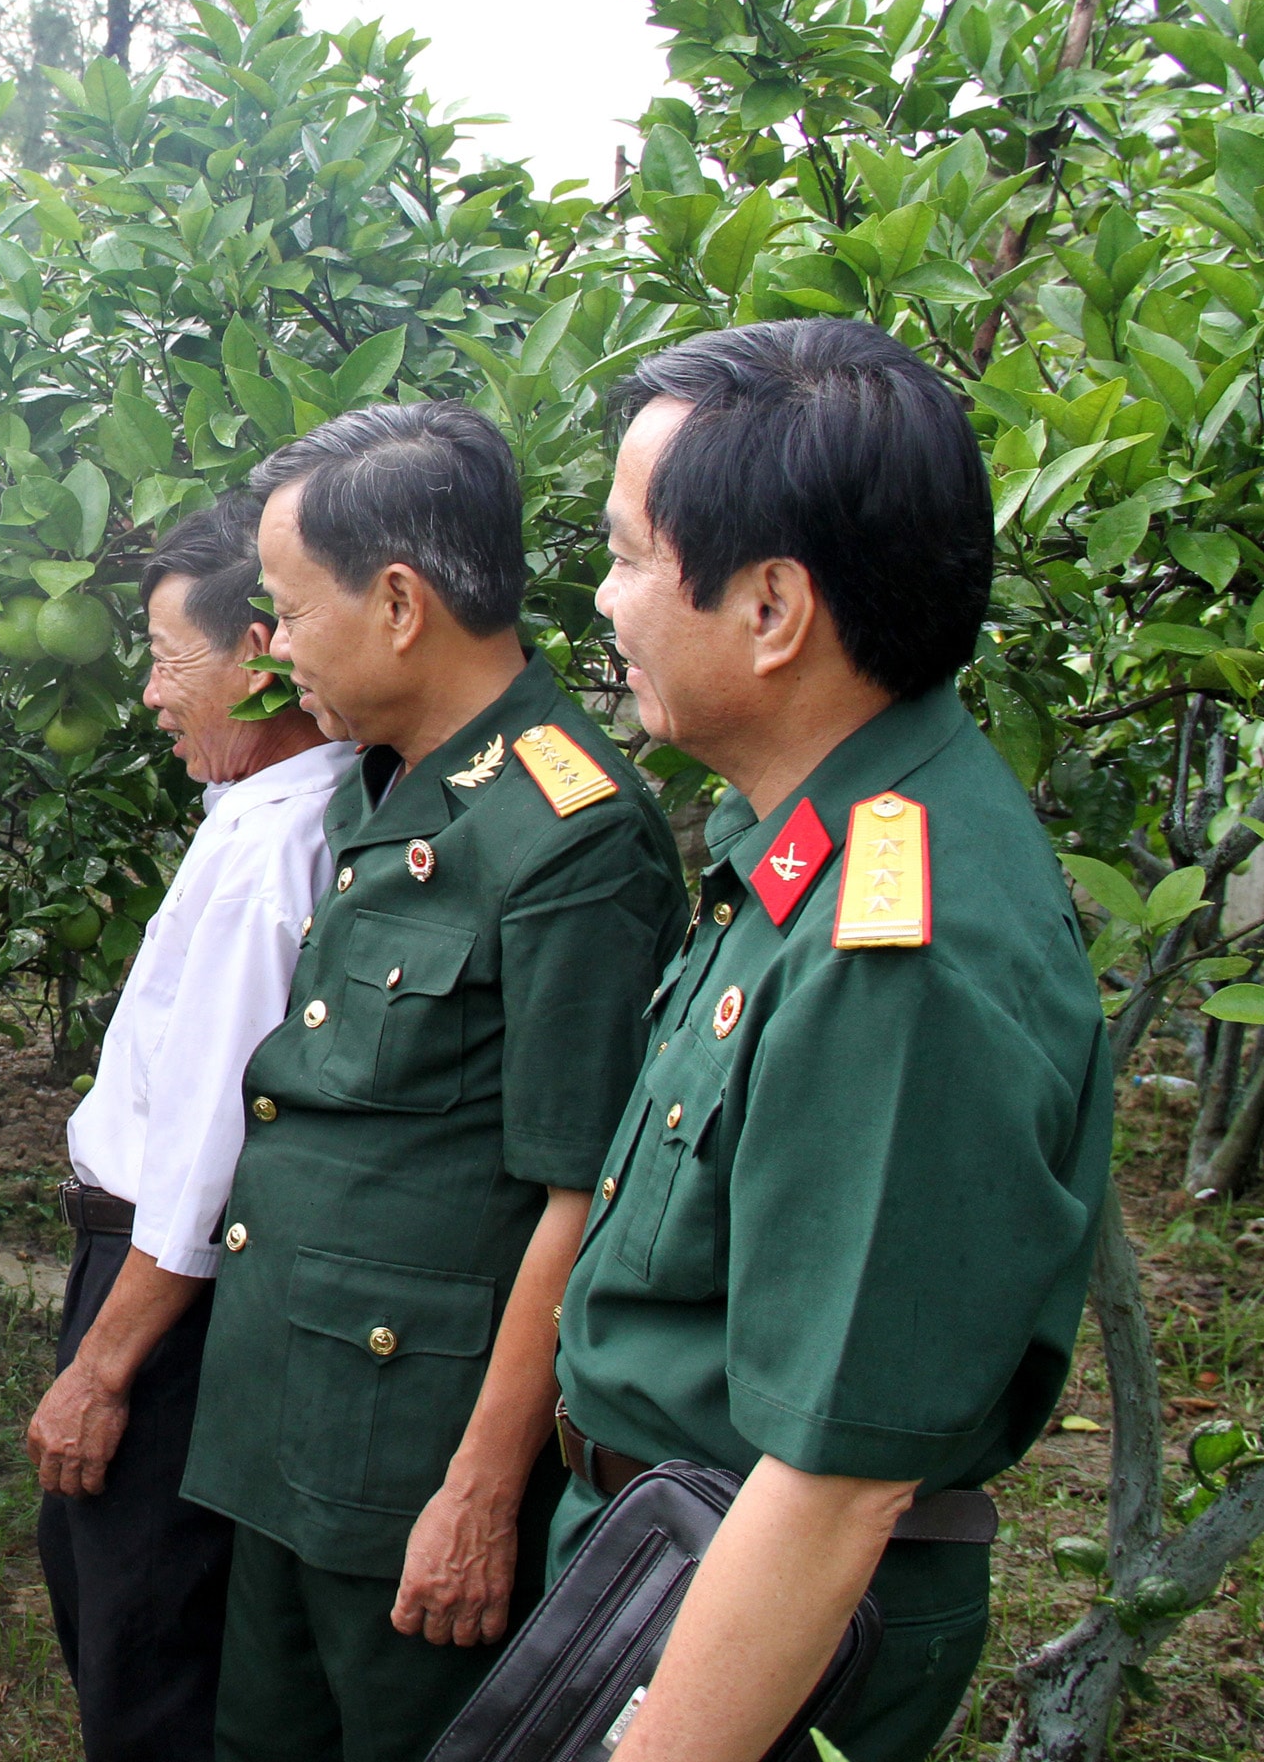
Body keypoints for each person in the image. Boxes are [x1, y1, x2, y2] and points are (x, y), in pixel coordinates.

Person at [552, 319, 1112, 1762]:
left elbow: (837, 1481)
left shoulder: (900, 948)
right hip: (667, 1549)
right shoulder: (802, 840)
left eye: (626, 556)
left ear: (773, 608)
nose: (604, 601)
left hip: (764, 1613)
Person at [182, 400, 689, 1762]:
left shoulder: (567, 839)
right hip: (295, 1418)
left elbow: (576, 1198)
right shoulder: (388, 785)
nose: (275, 647)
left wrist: (477, 1491)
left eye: (289, 609)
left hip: (409, 1458)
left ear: (399, 603)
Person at [31, 493, 353, 1761]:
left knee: (148, 1640)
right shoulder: (253, 814)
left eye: (173, 663)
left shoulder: (281, 846)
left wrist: (105, 1367)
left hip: (164, 1282)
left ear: (265, 653)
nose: (155, 698)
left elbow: (217, 1140)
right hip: (150, 1266)